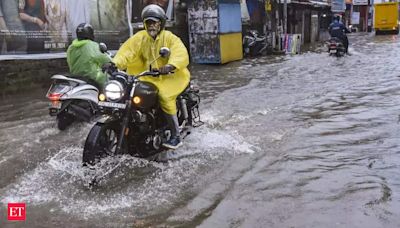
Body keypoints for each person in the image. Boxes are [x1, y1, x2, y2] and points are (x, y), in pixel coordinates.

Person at [109, 4, 190, 149]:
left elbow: (180, 53)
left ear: (161, 23)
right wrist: (114, 64)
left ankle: (175, 135)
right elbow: (127, 52)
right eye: (148, 22)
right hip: (147, 76)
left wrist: (170, 66)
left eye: (154, 22)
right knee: (127, 93)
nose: (151, 25)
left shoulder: (170, 38)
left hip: (171, 76)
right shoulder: (140, 38)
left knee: (165, 97)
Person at [66, 23, 111, 88]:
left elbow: (69, 62)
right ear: (90, 33)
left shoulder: (71, 47)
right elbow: (105, 59)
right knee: (111, 80)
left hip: (76, 78)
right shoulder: (92, 45)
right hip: (93, 78)